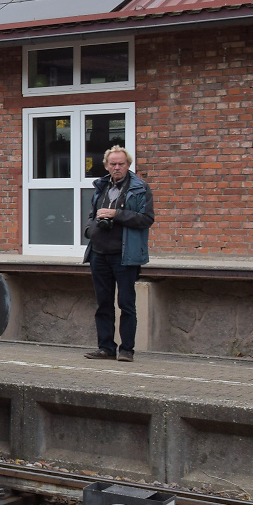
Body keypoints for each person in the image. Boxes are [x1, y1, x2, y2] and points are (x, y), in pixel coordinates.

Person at [83, 146, 155, 362]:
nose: (117, 167)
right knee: (103, 303)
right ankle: (105, 347)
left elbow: (146, 219)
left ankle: (126, 350)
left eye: (121, 164)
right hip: (99, 253)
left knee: (126, 303)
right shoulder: (101, 186)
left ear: (128, 165)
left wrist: (117, 214)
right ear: (106, 165)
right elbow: (91, 215)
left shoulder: (140, 188)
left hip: (125, 254)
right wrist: (90, 230)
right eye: (112, 164)